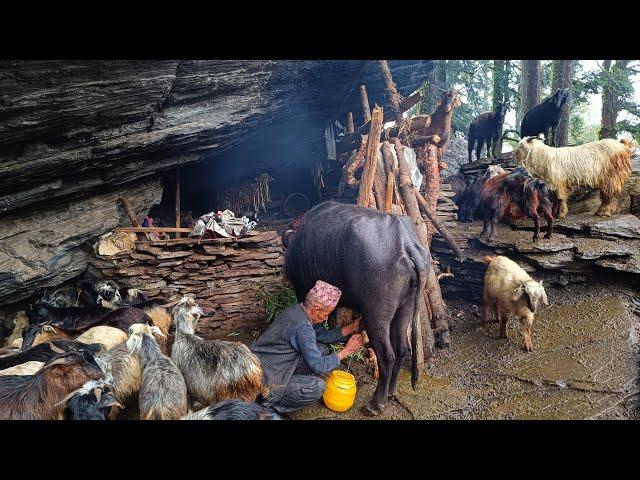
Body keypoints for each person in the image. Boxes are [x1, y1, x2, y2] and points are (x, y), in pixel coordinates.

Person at [250, 280, 364, 415]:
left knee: (321, 349)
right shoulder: (303, 327)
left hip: (260, 365)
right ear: (316, 310)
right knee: (317, 386)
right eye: (326, 314)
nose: (325, 319)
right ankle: (268, 406)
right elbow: (319, 365)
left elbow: (322, 337)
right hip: (267, 381)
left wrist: (352, 327)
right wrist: (347, 351)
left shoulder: (297, 311)